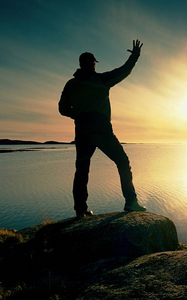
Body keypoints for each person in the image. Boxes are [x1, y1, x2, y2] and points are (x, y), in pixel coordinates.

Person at [59, 39, 146, 218]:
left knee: (82, 170)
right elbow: (123, 71)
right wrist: (135, 56)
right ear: (92, 64)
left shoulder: (71, 84)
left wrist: (76, 115)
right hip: (102, 131)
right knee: (122, 162)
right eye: (93, 63)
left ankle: (80, 210)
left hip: (82, 132)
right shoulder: (101, 79)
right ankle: (131, 202)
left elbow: (62, 108)